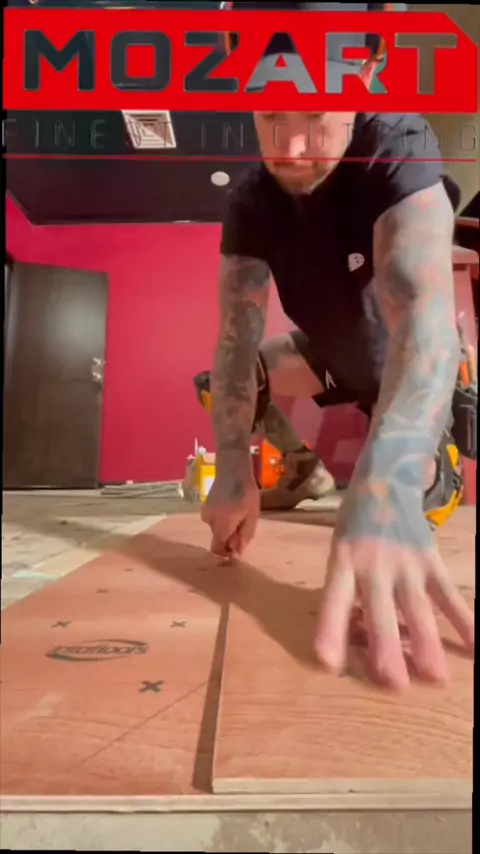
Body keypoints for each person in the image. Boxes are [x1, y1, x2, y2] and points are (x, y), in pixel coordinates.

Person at [198, 4, 476, 691]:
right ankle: (299, 472)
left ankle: (429, 458)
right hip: (328, 356)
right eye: (270, 116)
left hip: (400, 371)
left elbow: (423, 322)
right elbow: (236, 343)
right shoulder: (252, 199)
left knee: (402, 506)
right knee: (221, 382)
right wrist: (232, 467)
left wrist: (387, 480)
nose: (291, 149)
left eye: (317, 116)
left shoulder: (397, 147)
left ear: (366, 73)